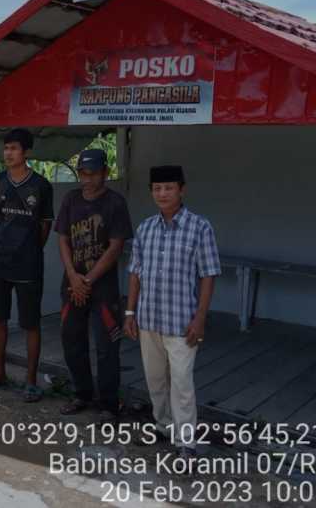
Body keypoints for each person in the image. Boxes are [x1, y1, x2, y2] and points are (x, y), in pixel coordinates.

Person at [124, 165, 221, 458]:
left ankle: (186, 442)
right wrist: (130, 313)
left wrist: (200, 317)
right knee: (155, 379)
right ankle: (163, 425)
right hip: (149, 319)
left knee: (181, 382)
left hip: (182, 322)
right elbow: (135, 273)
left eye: (168, 188)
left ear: (182, 189)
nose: (162, 193)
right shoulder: (145, 228)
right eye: (157, 188)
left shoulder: (200, 227)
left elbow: (208, 274)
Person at [0, 128, 54, 403]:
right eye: (6, 148)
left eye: (14, 148)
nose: (8, 153)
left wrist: (29, 249)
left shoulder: (42, 186)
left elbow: (45, 226)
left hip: (29, 264)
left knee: (30, 323)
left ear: (26, 152)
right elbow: (0, 221)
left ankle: (31, 381)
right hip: (0, 262)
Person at [55, 148, 132, 421]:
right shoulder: (71, 200)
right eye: (83, 173)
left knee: (106, 346)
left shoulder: (115, 203)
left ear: (105, 173)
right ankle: (82, 394)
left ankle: (109, 404)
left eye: (93, 173)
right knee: (71, 341)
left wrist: (87, 279)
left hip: (102, 288)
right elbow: (62, 238)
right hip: (72, 285)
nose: (87, 179)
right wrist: (74, 277)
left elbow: (116, 246)